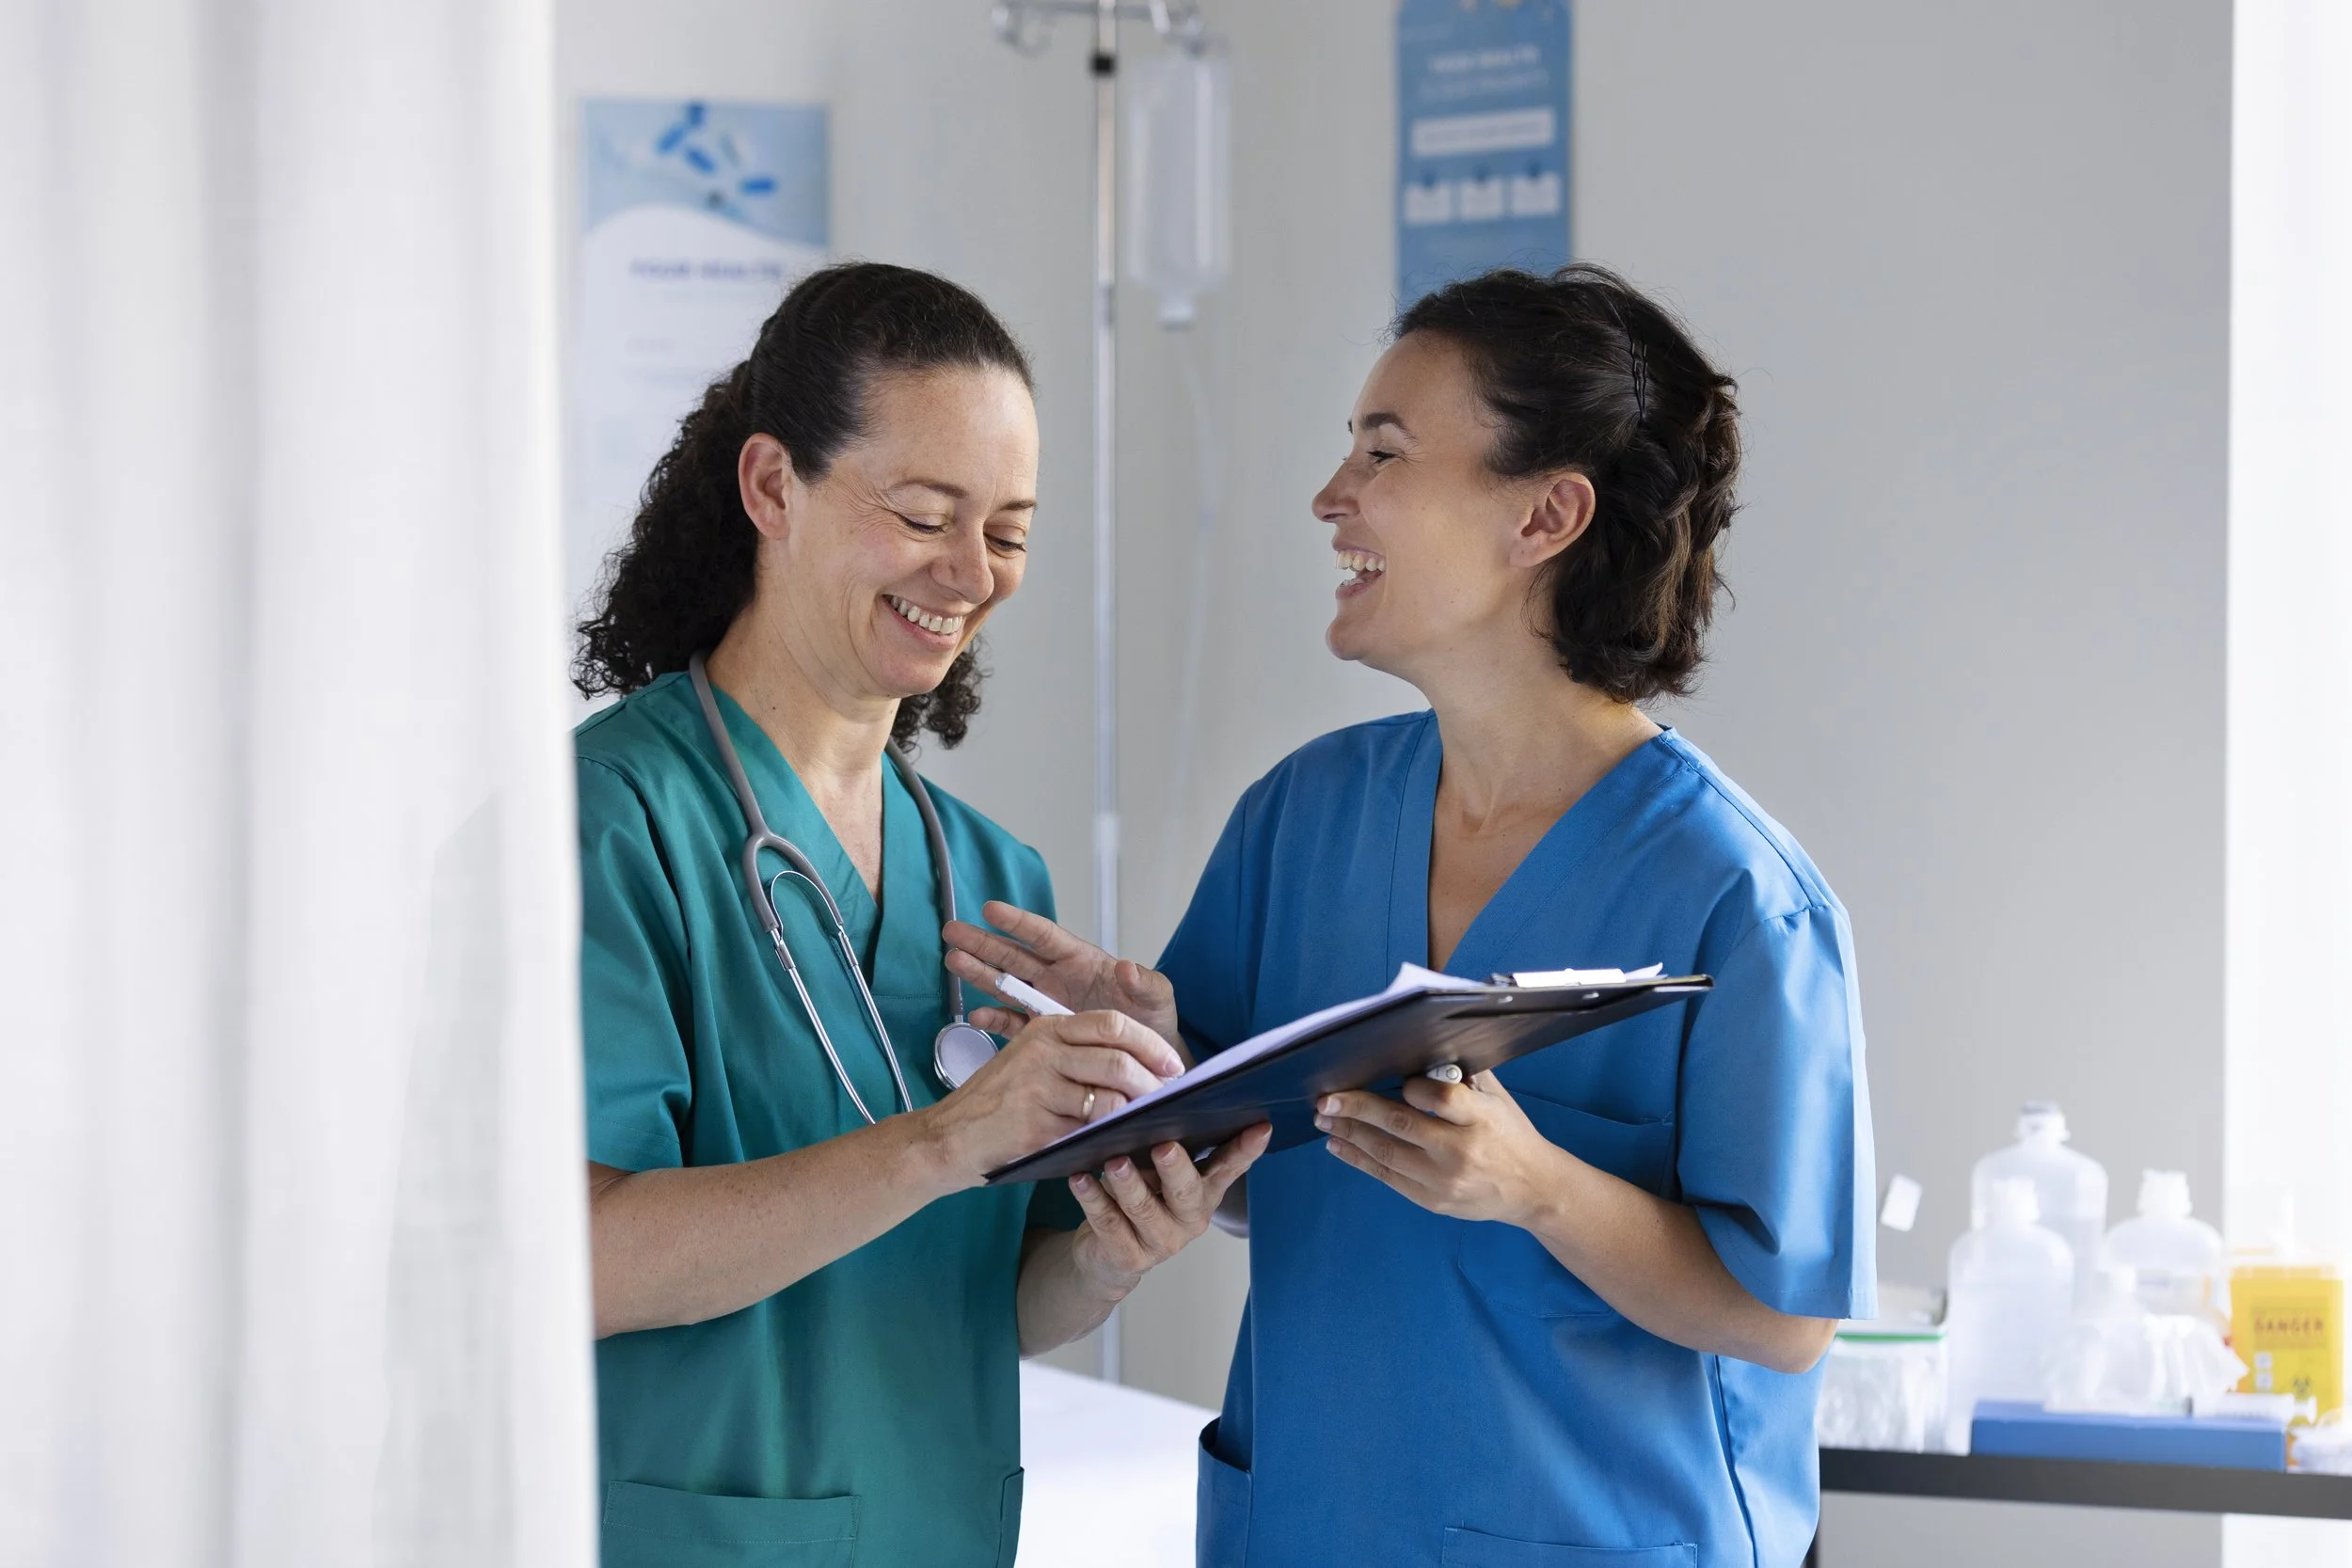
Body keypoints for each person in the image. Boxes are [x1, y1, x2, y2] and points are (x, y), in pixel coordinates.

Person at [946, 264, 1874, 1567]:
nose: (1333, 495)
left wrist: (1537, 1188)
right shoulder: (1302, 818)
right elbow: (1253, 1180)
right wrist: (1164, 1062)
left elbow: (1784, 1320)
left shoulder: (1738, 898)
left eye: (1383, 452)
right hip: (1314, 1523)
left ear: (1545, 515)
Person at [570, 261, 1269, 1568]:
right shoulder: (613, 822)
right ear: (772, 487)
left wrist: (1120, 1248)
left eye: (1007, 532)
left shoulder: (991, 882)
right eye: (925, 515)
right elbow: (578, 1263)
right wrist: (947, 1140)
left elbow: (985, 1302)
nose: (969, 573)